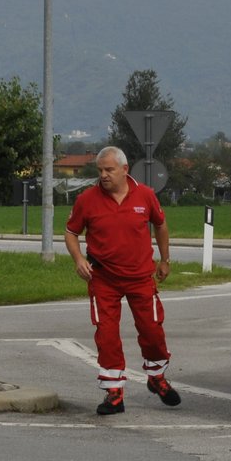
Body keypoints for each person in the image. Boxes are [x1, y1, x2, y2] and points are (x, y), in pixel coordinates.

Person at [64, 146, 180, 415]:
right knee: (107, 335)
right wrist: (79, 260)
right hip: (103, 278)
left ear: (124, 170)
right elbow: (71, 233)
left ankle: (156, 378)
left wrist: (165, 260)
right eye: (100, 171)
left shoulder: (145, 195)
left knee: (152, 330)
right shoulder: (87, 200)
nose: (103, 175)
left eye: (109, 170)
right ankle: (114, 393)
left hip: (140, 277)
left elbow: (160, 225)